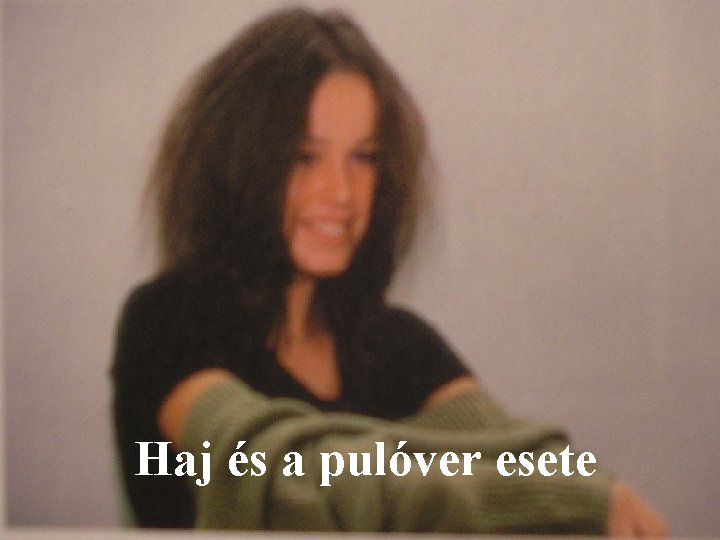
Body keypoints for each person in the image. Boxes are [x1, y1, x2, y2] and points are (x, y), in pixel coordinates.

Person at [112, 7, 666, 535]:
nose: (341, 193)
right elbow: (298, 483)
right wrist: (561, 497)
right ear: (239, 165)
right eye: (305, 157)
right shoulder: (167, 324)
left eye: (364, 158)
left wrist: (587, 494)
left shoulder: (400, 344)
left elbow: (537, 461)